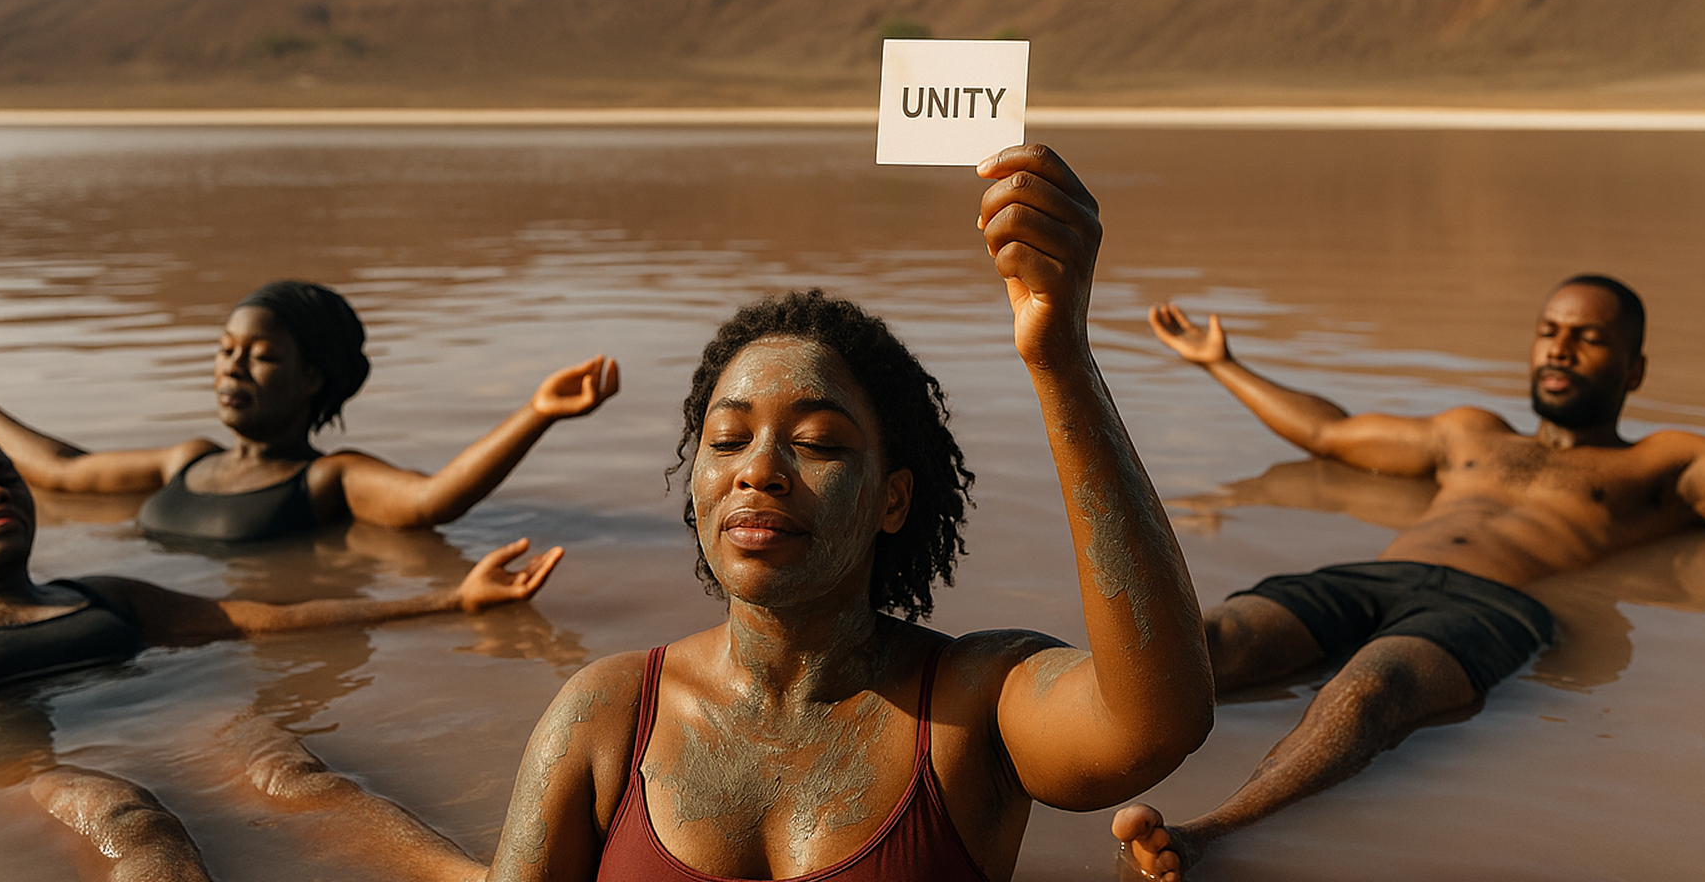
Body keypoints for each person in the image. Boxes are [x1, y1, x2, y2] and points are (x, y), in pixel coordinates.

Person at [206, 144, 1214, 882]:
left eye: (818, 443)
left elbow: (1153, 723)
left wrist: (1061, 359)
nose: (758, 472)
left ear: (895, 499)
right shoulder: (605, 715)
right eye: (726, 440)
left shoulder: (975, 706)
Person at [1115, 275, 1705, 880]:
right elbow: (1331, 435)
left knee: (1368, 689)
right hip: (1371, 578)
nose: (1560, 347)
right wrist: (1222, 364)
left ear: (1634, 370)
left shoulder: (1664, 466)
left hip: (1492, 607)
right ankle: (1045, 731)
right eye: (1549, 331)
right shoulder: (1468, 433)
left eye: (1589, 336)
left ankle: (1203, 837)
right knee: (1207, 638)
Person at [0, 427, 563, 880]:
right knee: (129, 818)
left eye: (8, 476)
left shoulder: (103, 596)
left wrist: (451, 602)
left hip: (162, 716)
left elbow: (259, 620)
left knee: (292, 774)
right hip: (16, 760)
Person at [0, 279, 619, 541]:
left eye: (259, 354)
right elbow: (64, 471)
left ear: (312, 376)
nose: (232, 364)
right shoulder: (185, 459)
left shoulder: (328, 480)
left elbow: (431, 501)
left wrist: (537, 412)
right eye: (226, 349)